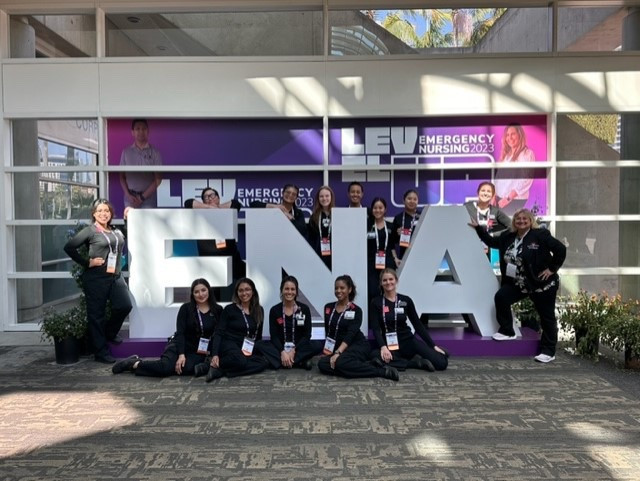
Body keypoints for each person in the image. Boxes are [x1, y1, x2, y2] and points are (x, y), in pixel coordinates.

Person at [470, 208, 566, 363]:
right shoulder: (508, 236)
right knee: (501, 297)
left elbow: (560, 249)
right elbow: (492, 242)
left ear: (530, 221)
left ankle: (548, 351)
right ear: (514, 221)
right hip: (520, 283)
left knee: (546, 317)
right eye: (518, 218)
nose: (521, 221)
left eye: (524, 218)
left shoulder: (540, 235)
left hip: (542, 284)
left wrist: (552, 269)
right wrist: (478, 229)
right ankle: (507, 331)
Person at [64, 199, 132, 363]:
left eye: (106, 211)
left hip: (115, 276)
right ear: (94, 214)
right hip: (96, 278)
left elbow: (126, 236)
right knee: (97, 316)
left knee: (124, 306)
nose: (103, 214)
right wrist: (87, 262)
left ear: (111, 214)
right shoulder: (90, 231)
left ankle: (109, 333)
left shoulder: (115, 230)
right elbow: (69, 247)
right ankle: (100, 353)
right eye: (100, 211)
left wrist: (126, 220)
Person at [111, 278, 222, 377]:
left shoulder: (218, 310)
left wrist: (215, 354)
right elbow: (180, 333)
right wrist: (181, 355)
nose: (200, 294)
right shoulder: (186, 308)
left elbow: (218, 334)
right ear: (192, 294)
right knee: (165, 367)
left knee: (184, 368)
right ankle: (135, 363)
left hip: (198, 351)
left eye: (203, 290)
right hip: (179, 345)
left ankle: (163, 366)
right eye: (196, 292)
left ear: (209, 290)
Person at [317, 275, 399, 381]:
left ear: (349, 289)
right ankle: (365, 365)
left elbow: (350, 334)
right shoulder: (328, 307)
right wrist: (328, 352)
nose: (338, 291)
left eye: (342, 288)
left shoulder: (356, 310)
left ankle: (382, 371)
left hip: (358, 346)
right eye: (336, 288)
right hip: (341, 349)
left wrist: (338, 353)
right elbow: (329, 332)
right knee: (322, 364)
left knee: (340, 362)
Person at [370, 269, 449, 372]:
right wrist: (383, 347)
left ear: (396, 280)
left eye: (391, 279)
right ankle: (415, 363)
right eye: (385, 280)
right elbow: (376, 329)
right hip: (390, 344)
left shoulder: (406, 300)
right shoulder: (376, 302)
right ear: (381, 283)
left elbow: (418, 325)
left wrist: (432, 345)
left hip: (408, 341)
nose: (388, 282)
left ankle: (405, 360)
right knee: (375, 356)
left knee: (442, 363)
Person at [204, 278, 269, 381]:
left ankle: (218, 369)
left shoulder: (259, 310)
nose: (244, 293)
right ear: (237, 293)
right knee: (240, 360)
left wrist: (255, 352)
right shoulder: (229, 309)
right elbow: (219, 332)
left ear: (253, 291)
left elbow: (258, 336)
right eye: (241, 290)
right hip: (228, 344)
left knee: (262, 363)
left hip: (245, 347)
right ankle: (214, 362)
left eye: (247, 289)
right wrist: (215, 354)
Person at [184, 187, 246, 285]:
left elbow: (236, 204)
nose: (209, 198)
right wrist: (209, 208)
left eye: (212, 195)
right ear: (203, 202)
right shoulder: (200, 213)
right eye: (206, 197)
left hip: (230, 257)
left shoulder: (227, 212)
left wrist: (217, 209)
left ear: (218, 198)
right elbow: (188, 203)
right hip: (209, 257)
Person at [259, 276, 319, 370]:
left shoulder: (304, 309)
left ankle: (282, 362)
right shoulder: (275, 310)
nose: (289, 292)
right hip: (280, 348)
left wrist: (293, 351)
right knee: (260, 344)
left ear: (296, 291)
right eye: (286, 289)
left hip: (298, 348)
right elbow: (274, 336)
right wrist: (282, 351)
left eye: (292, 289)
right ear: (282, 290)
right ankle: (299, 361)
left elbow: (307, 335)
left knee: (317, 345)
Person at [119, 119, 163, 208]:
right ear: (132, 132)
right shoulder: (126, 152)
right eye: (137, 129)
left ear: (148, 131)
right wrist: (127, 194)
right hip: (130, 198)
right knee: (130, 218)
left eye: (144, 129)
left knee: (149, 218)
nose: (141, 131)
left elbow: (158, 179)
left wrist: (142, 197)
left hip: (149, 199)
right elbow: (121, 177)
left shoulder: (155, 153)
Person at [494, 123, 535, 215]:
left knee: (510, 222)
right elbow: (498, 178)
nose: (510, 138)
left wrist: (508, 198)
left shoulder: (526, 154)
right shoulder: (507, 155)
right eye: (507, 135)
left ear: (519, 135)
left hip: (513, 200)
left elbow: (526, 179)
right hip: (500, 199)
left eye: (513, 134)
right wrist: (494, 194)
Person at [464, 181, 511, 256]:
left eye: (489, 191)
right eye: (483, 190)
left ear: (493, 195)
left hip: (489, 251)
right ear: (478, 192)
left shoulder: (496, 211)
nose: (485, 193)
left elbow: (512, 227)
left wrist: (493, 235)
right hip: (469, 248)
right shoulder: (467, 207)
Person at [366, 197, 395, 301]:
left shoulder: (391, 226)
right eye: (375, 208)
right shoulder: (367, 226)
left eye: (380, 208)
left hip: (387, 262)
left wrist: (395, 258)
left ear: (385, 209)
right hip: (371, 263)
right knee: (373, 291)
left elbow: (392, 245)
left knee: (388, 289)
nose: (377, 210)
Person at [390, 189, 421, 266]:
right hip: (404, 258)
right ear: (404, 201)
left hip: (421, 256)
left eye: (415, 199)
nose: (412, 201)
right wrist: (398, 235)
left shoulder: (423, 216)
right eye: (409, 198)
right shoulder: (398, 218)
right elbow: (391, 242)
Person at [308, 186, 335, 269]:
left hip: (334, 255)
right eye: (321, 196)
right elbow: (311, 238)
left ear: (331, 197)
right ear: (318, 198)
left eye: (327, 196)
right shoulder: (314, 217)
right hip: (318, 254)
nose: (324, 198)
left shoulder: (337, 214)